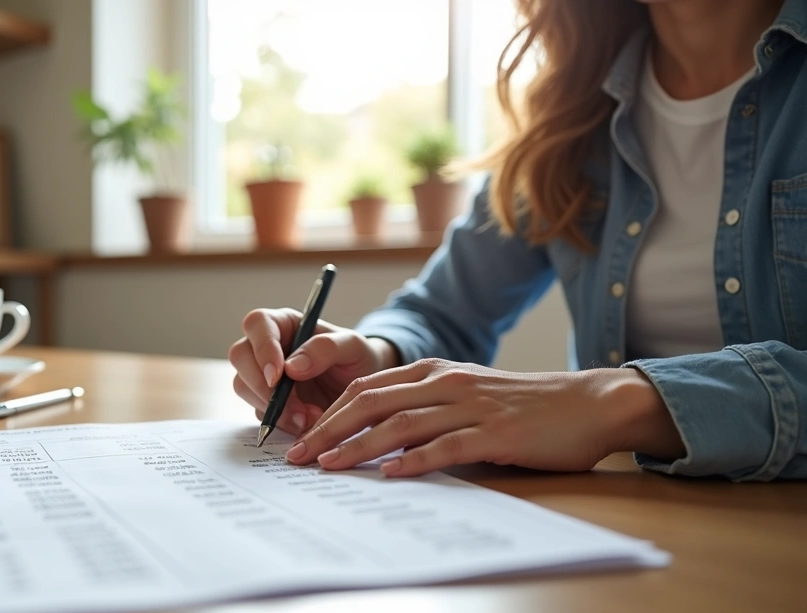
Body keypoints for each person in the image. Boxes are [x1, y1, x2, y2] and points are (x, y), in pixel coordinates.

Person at [228, 0, 807, 482]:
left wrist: (615, 403)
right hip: (634, 521)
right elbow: (441, 313)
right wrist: (373, 359)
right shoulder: (569, 118)